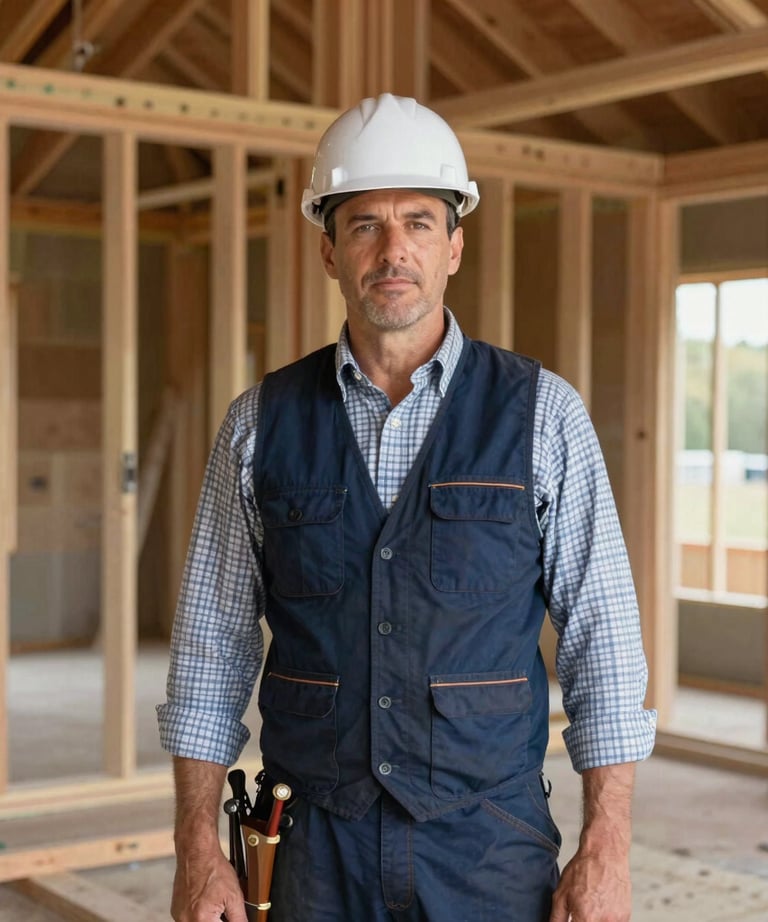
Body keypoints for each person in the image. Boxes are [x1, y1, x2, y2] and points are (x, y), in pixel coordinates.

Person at [158, 93, 656, 922]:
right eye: (365, 225)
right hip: (310, 843)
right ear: (329, 250)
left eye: (419, 223)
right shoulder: (259, 424)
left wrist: (606, 848)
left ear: (455, 246)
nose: (395, 250)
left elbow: (603, 642)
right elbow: (211, 652)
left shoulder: (545, 415)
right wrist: (196, 849)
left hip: (487, 844)